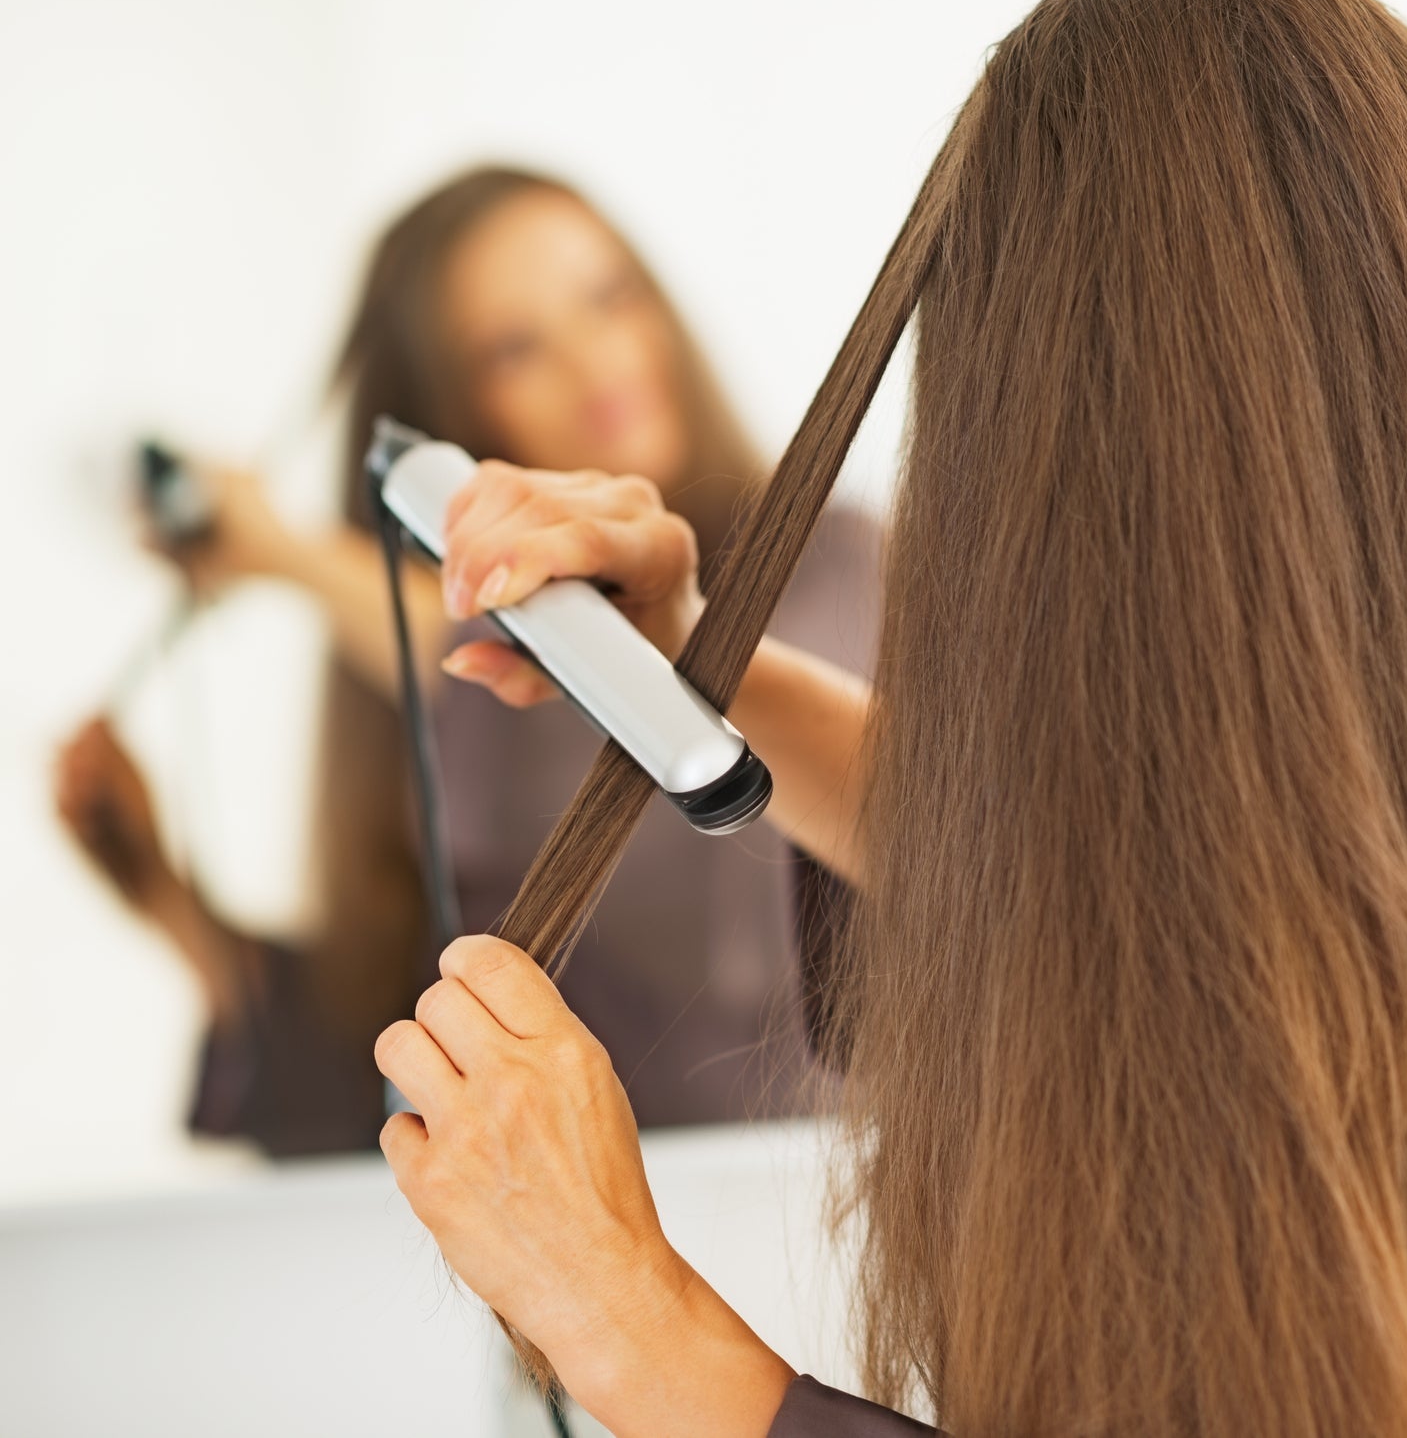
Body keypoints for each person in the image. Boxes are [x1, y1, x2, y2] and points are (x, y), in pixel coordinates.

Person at [367, 0, 1407, 1435]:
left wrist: (631, 1318)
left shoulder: (1286, 1004)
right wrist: (705, 662)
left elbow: (1180, 928)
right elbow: (1139, 886)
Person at [52, 167, 879, 1154]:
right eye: (514, 347)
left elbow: (664, 744)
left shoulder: (839, 564)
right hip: (602, 1260)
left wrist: (283, 551)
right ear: (452, 419)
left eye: (608, 297)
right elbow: (386, 1084)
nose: (593, 360)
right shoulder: (444, 713)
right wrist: (170, 905)